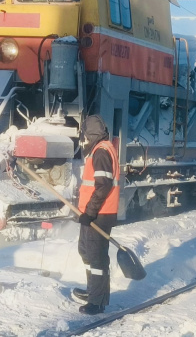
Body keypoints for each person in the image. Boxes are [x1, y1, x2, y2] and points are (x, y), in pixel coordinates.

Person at [71, 115, 119, 315]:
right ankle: (93, 291)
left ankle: (97, 303)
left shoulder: (101, 152)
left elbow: (103, 186)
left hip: (100, 213)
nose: (84, 139)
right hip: (92, 212)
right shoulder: (101, 149)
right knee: (86, 252)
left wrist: (90, 212)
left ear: (91, 134)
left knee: (97, 258)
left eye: (85, 135)